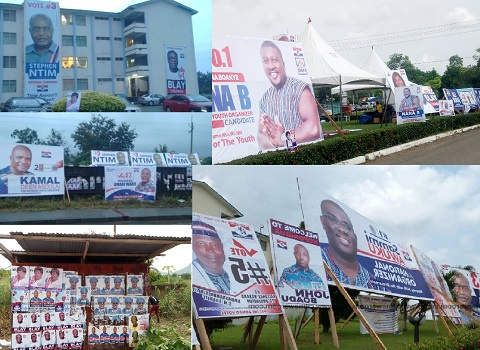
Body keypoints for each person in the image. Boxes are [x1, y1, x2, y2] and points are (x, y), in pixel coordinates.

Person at [257, 40, 321, 150]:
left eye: (274, 60)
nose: (271, 66)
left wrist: (283, 139)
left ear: (283, 63)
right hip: (278, 160)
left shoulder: (300, 89)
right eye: (265, 61)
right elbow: (260, 135)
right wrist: (272, 142)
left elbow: (313, 128)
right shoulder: (264, 98)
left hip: (303, 156)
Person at [320, 200, 378, 289]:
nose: (342, 229)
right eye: (333, 219)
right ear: (323, 221)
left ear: (356, 237)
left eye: (347, 227)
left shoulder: (373, 281)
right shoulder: (315, 262)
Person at [192, 220, 231, 294]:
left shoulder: (235, 273)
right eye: (201, 243)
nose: (210, 250)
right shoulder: (196, 277)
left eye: (215, 245)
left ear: (222, 246)